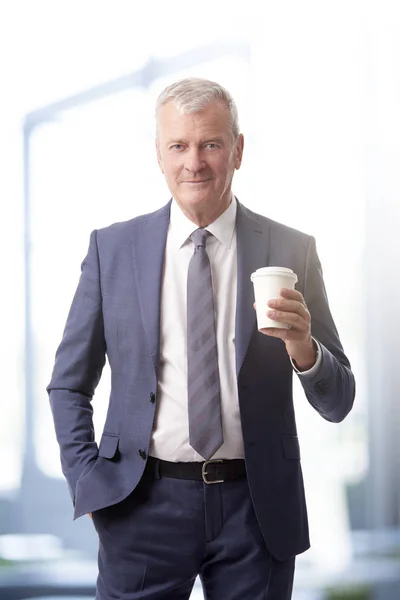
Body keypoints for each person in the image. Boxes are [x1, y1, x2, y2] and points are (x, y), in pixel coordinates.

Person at [48, 77, 355, 600]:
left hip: (256, 510)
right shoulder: (112, 250)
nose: (194, 162)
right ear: (159, 155)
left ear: (237, 150)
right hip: (140, 505)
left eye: (210, 143)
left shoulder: (291, 249)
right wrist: (88, 481)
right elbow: (68, 386)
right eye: (179, 146)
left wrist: (305, 349)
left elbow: (339, 401)